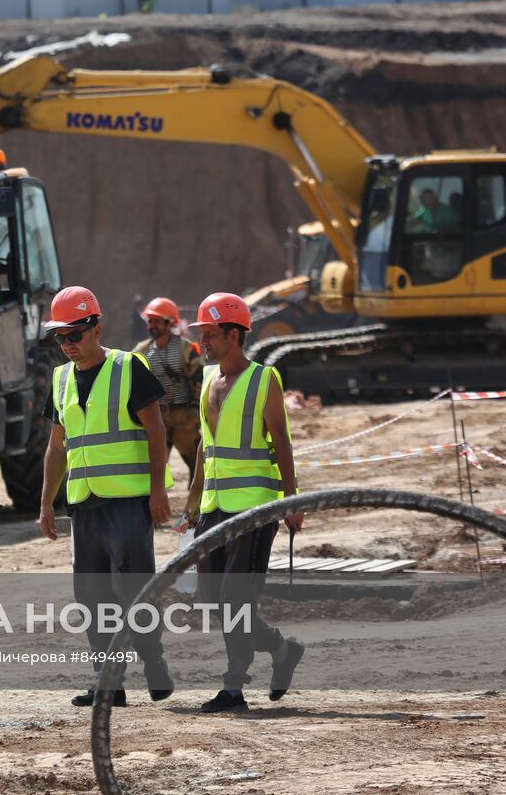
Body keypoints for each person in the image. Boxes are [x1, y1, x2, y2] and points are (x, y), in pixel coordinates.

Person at [37, 286, 175, 707]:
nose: (67, 345)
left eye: (74, 335)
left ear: (96, 327)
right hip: (84, 505)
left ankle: (153, 662)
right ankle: (108, 681)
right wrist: (46, 502)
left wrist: (157, 491)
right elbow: (56, 446)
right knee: (92, 597)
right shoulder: (61, 379)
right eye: (59, 338)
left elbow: (156, 429)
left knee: (132, 591)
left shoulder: (127, 367)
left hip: (130, 503)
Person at [180, 291, 305, 714]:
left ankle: (234, 686)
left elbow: (282, 443)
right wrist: (194, 498)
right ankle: (281, 649)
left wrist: (291, 500)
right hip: (214, 506)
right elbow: (205, 444)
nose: (204, 343)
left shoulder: (263, 379)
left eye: (211, 334)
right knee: (213, 599)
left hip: (254, 507)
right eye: (201, 335)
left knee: (237, 601)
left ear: (234, 334)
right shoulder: (207, 381)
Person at [132, 297, 203, 481]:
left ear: (169, 322)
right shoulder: (141, 351)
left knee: (197, 467)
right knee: (153, 470)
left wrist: (195, 409)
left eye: (157, 321)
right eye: (150, 321)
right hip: (156, 416)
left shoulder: (185, 348)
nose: (152, 325)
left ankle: (197, 506)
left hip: (183, 417)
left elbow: (200, 380)